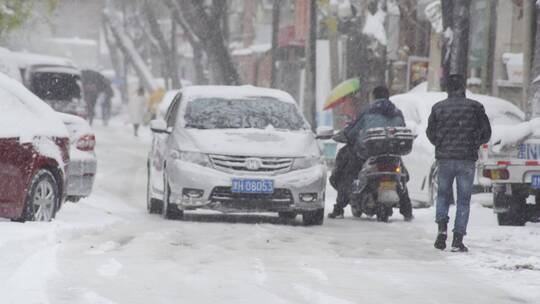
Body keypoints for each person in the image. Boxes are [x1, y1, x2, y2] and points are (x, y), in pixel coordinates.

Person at [426, 74, 491, 252]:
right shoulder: (475, 107)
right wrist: (473, 142)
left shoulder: (438, 108)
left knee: (443, 196)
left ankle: (441, 231)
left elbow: (430, 133)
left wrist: (441, 143)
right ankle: (457, 239)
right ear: (463, 87)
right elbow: (486, 133)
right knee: (463, 200)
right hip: (466, 159)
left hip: (445, 159)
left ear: (447, 89)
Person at [328, 86, 413, 221]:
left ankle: (339, 208)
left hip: (368, 152)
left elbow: (354, 130)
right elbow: (401, 128)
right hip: (391, 152)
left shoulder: (367, 111)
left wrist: (346, 135)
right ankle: (407, 210)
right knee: (401, 175)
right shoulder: (397, 112)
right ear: (388, 96)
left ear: (373, 97)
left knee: (348, 173)